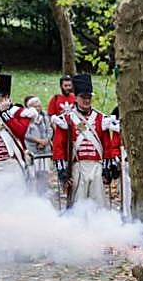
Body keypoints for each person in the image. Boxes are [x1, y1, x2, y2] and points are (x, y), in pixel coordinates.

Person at [52, 74, 121, 207]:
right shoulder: (66, 119)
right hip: (77, 166)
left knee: (98, 204)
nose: (86, 100)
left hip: (97, 166)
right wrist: (62, 171)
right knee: (78, 204)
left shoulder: (101, 118)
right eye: (83, 97)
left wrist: (107, 167)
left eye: (89, 97)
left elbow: (107, 145)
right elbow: (58, 146)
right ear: (76, 97)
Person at [24, 96, 54, 194]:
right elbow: (26, 133)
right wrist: (38, 141)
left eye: (39, 106)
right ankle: (32, 195)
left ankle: (43, 193)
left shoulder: (45, 116)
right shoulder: (26, 117)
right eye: (35, 106)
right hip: (33, 150)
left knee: (44, 173)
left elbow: (50, 129)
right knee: (33, 175)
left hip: (45, 150)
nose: (38, 108)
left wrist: (46, 140)